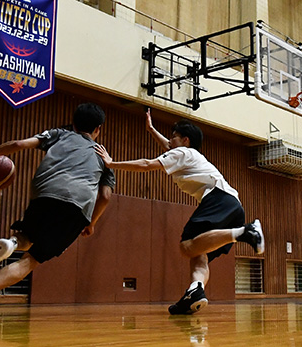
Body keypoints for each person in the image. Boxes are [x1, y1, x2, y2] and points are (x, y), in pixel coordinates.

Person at [95, 111, 264, 315]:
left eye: (173, 135)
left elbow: (147, 164)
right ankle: (195, 292)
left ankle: (245, 232)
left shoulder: (183, 153)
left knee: (186, 247)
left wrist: (112, 164)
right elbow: (168, 146)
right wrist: (151, 130)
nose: (170, 139)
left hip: (219, 199)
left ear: (185, 140)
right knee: (197, 254)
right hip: (232, 204)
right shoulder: (186, 154)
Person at [0, 103, 115, 317]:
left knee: (27, 238)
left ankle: (11, 243)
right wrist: (91, 223)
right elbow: (104, 196)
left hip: (44, 195)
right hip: (76, 207)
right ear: (98, 129)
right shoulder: (105, 158)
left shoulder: (60, 134)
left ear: (74, 123)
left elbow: (20, 143)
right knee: (30, 260)